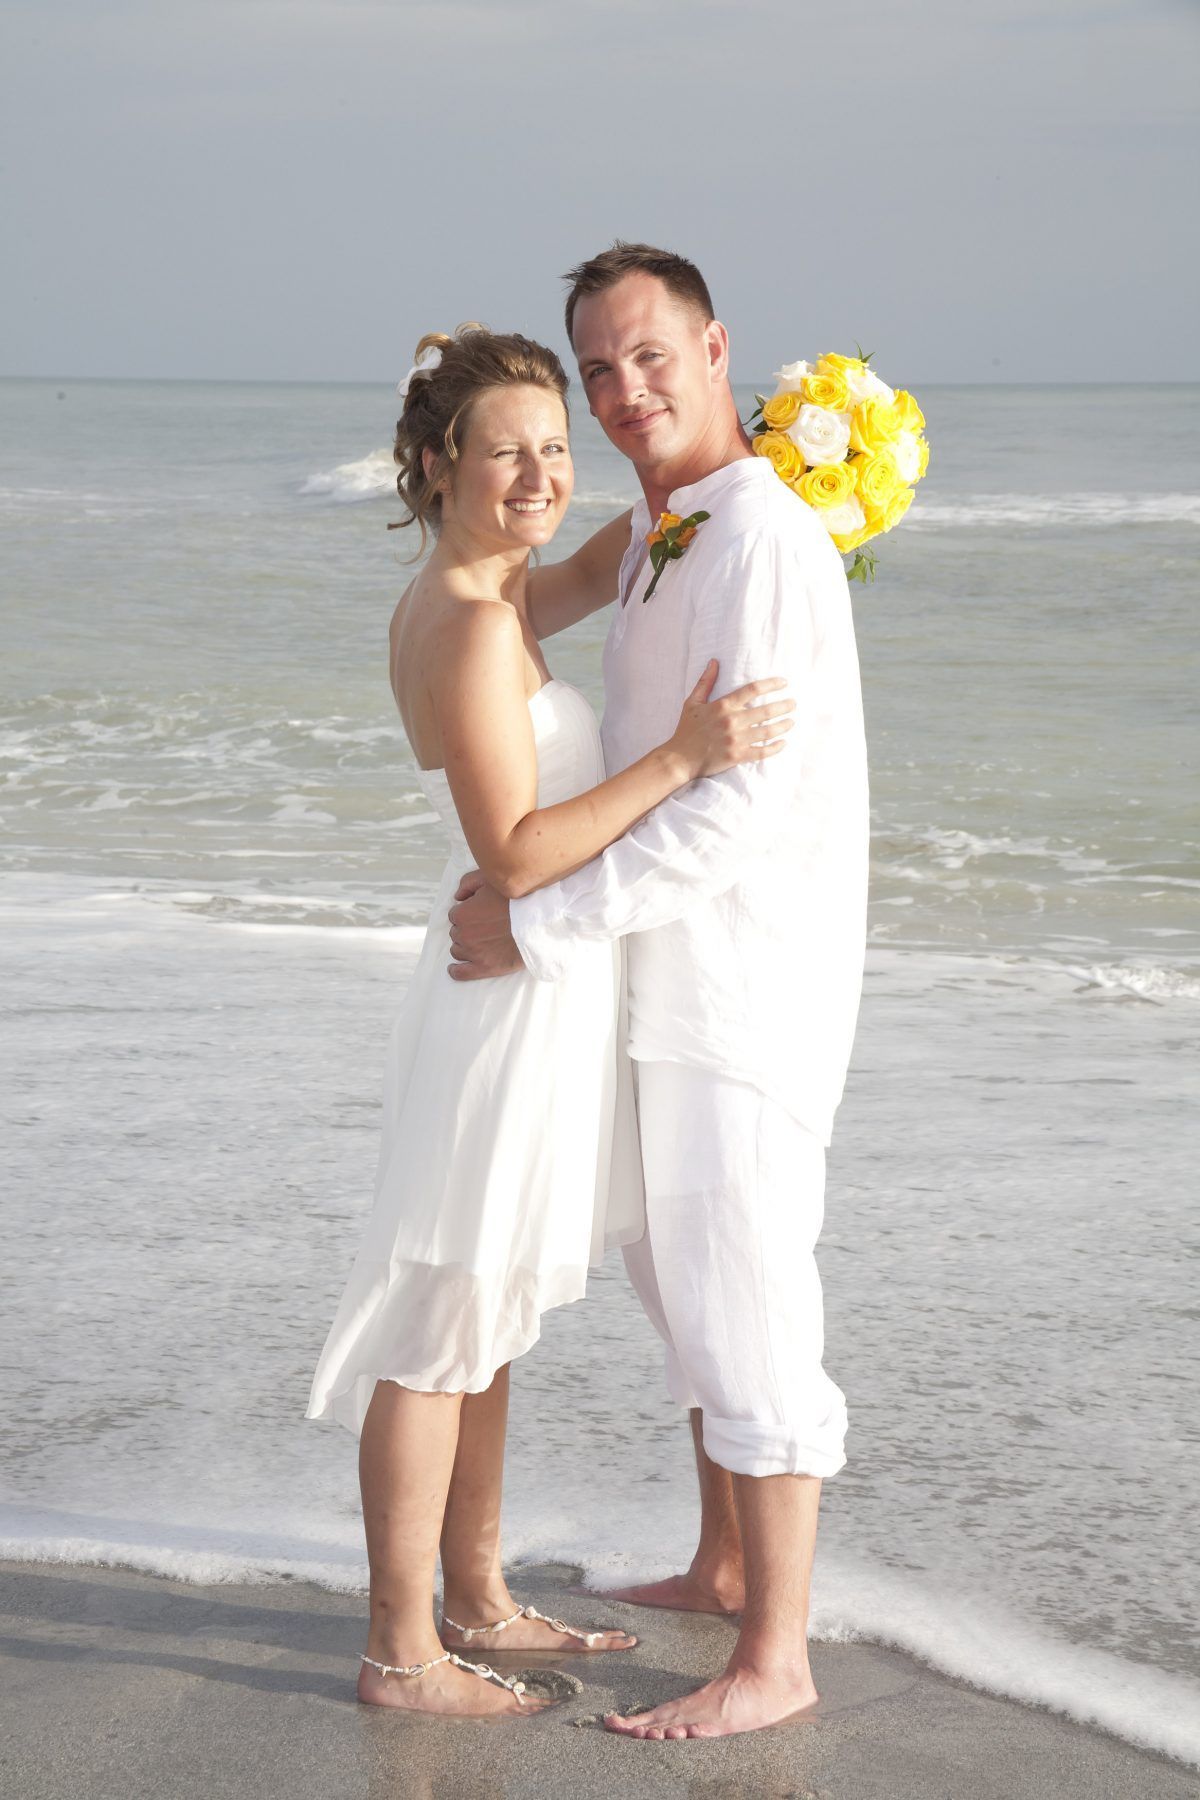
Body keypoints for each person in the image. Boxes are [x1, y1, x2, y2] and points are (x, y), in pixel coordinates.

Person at [305, 323, 795, 1719]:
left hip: (528, 998)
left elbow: (609, 560)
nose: (538, 476)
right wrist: (683, 758)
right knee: (441, 1324)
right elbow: (515, 851)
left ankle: (478, 1593)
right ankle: (402, 1653)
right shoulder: (465, 628)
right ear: (433, 464)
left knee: (490, 1315)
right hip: (500, 1010)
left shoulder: (497, 591)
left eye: (554, 448)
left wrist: (763, 463)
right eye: (504, 451)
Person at [447, 246, 870, 1739]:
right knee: (678, 1278)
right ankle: (722, 1558)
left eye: (648, 356)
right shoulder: (663, 532)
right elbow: (511, 607)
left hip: (743, 984)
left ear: (715, 346)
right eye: (599, 369)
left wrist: (538, 922)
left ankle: (780, 1658)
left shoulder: (760, 541)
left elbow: (729, 813)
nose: (626, 392)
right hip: (658, 978)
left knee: (749, 1291)